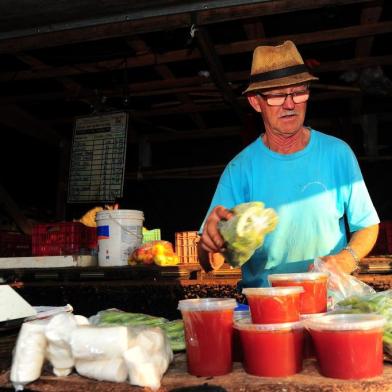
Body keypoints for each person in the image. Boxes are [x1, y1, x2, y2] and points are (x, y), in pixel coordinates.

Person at [198, 40, 379, 288]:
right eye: (276, 95)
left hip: (328, 302)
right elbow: (211, 263)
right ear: (255, 102)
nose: (290, 103)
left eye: (299, 92)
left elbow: (368, 225)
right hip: (266, 311)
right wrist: (210, 245)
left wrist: (346, 260)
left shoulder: (338, 153)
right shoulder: (239, 170)